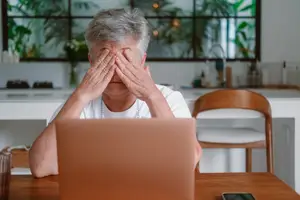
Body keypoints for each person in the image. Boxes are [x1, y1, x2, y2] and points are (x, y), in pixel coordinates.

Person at [29, 8, 202, 178]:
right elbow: (41, 167)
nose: (115, 71)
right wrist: (81, 96)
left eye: (125, 60)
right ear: (91, 62)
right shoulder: (79, 104)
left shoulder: (169, 99)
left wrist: (152, 96)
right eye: (105, 60)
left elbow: (187, 164)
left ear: (142, 61)